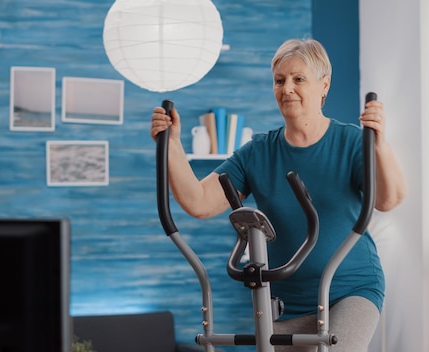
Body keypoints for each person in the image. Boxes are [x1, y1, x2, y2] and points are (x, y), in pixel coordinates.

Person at [150, 38, 407, 352]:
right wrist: (172, 145)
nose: (287, 88)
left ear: (323, 85)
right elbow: (199, 202)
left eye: (299, 79)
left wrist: (378, 143)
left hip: (349, 290)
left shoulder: (351, 142)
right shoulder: (259, 152)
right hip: (286, 300)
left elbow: (388, 199)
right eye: (279, 80)